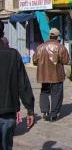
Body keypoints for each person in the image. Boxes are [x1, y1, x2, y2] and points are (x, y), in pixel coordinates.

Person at [0, 21, 35, 149]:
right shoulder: (13, 55)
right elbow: (23, 84)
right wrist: (30, 109)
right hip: (8, 110)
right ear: (2, 33)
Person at [32, 28, 69, 122]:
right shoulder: (60, 47)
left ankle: (45, 112)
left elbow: (35, 61)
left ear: (50, 35)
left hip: (44, 75)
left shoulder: (40, 47)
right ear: (57, 36)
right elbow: (65, 61)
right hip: (57, 75)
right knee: (56, 94)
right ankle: (53, 114)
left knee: (44, 92)